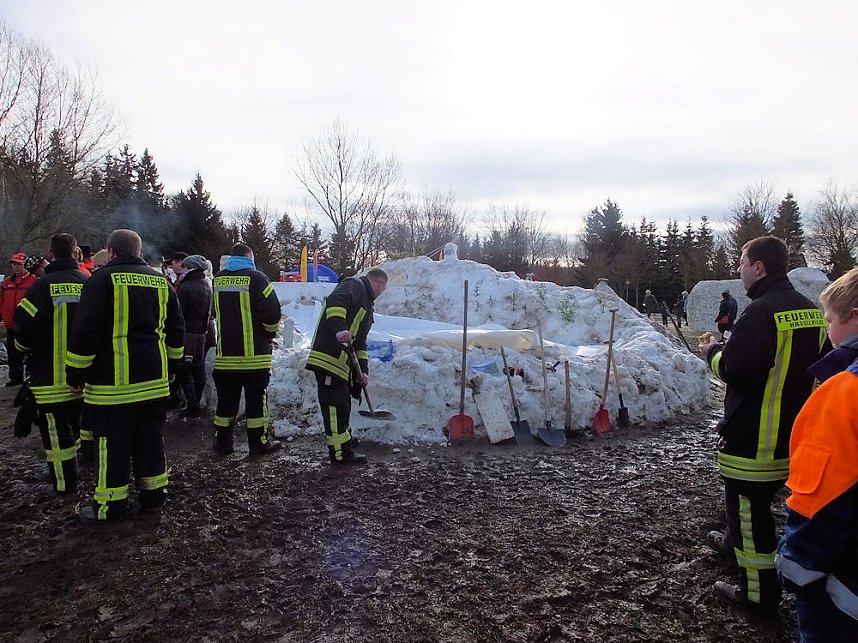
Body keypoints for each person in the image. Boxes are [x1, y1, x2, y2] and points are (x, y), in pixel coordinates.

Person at [699, 236, 829, 611]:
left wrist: (712, 353)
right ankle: (731, 543)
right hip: (792, 437)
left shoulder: (759, 314)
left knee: (751, 514)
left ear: (759, 267)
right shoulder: (809, 311)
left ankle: (758, 594)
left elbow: (737, 370)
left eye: (742, 262)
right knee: (750, 507)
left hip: (753, 439)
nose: (739, 270)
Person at [66, 229, 185, 522]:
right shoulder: (161, 282)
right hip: (155, 384)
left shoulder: (101, 281)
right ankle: (154, 497)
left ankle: (111, 506)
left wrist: (76, 372)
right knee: (151, 442)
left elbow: (86, 332)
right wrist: (172, 368)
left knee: (112, 446)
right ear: (139, 250)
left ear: (112, 251)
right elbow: (176, 329)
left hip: (113, 387)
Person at [776, 267, 858, 640]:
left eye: (829, 320)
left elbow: (821, 499)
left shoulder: (844, 394)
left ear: (854, 316)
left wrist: (795, 568)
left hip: (844, 595)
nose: (827, 330)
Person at [12, 233, 88, 494]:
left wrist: (21, 349)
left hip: (51, 378)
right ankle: (76, 470)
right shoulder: (89, 282)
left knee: (57, 438)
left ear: (50, 254)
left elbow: (24, 329)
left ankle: (65, 484)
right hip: (85, 378)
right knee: (76, 428)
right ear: (76, 252)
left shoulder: (43, 286)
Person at [306, 268, 388, 465]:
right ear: (380, 283)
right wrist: (339, 328)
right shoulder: (354, 285)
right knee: (334, 407)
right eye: (383, 288)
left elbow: (360, 343)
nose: (382, 291)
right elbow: (334, 304)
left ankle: (345, 441)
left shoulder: (367, 306)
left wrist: (363, 371)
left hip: (342, 363)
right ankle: (340, 453)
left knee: (342, 403)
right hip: (328, 357)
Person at [211, 242, 281, 456]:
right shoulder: (258, 278)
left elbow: (214, 312)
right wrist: (269, 334)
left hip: (225, 358)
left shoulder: (218, 279)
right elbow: (272, 314)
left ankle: (223, 444)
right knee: (256, 405)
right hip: (254, 358)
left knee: (225, 405)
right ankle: (258, 444)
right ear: (249, 257)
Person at [175, 254, 212, 419]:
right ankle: (195, 402)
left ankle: (192, 404)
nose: (182, 269)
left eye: (184, 266)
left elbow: (178, 312)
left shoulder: (186, 286)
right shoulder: (206, 285)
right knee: (198, 368)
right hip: (202, 333)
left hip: (187, 333)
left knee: (184, 369)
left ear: (190, 268)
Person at [1, 252, 39, 386]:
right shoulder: (6, 282)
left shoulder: (34, 280)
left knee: (30, 353)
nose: (15, 268)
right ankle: (15, 378)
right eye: (13, 265)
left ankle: (31, 376)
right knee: (12, 353)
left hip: (27, 325)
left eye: (18, 265)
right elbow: (2, 302)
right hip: (11, 324)